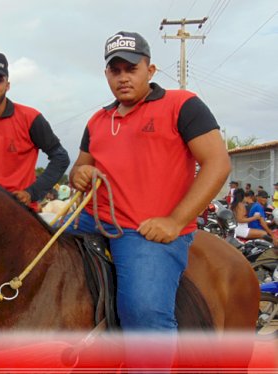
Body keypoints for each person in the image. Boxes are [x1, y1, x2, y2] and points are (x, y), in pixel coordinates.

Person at [67, 31, 231, 367]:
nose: (123, 77)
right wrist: (80, 175)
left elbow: (218, 162)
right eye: (116, 70)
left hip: (144, 231)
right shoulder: (98, 120)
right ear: (107, 74)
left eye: (132, 68)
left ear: (150, 70)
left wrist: (175, 221)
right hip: (91, 220)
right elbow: (79, 169)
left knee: (143, 312)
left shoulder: (182, 104)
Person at [0, 51, 70, 209]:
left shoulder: (30, 117)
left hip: (20, 213)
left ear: (7, 85)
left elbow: (61, 158)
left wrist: (31, 193)